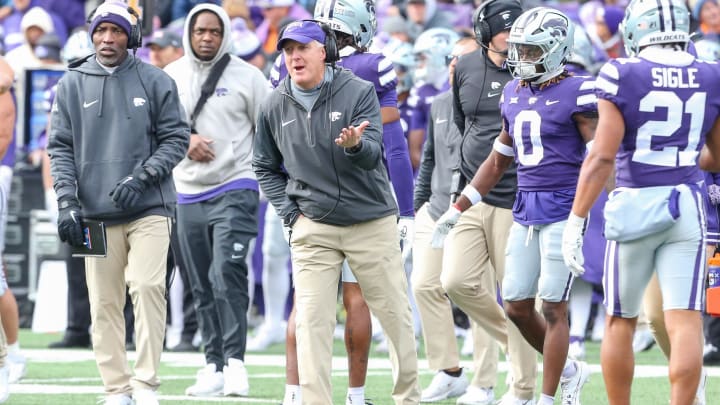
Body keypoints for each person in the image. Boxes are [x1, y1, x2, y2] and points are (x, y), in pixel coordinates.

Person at [253, 19, 420, 405]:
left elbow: (374, 154)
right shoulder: (274, 103)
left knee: (395, 317)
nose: (294, 56)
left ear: (323, 52)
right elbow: (263, 165)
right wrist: (290, 213)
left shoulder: (359, 91)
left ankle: (408, 398)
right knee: (312, 322)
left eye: (302, 48)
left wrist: (356, 147)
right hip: (314, 225)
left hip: (371, 220)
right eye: (288, 50)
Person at [561, 0, 719, 403]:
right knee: (684, 320)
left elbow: (602, 156)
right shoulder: (709, 74)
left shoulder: (621, 72)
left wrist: (577, 219)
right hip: (686, 204)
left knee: (620, 319)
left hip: (634, 203)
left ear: (636, 28)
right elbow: (716, 156)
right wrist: (681, 156)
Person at [437, 8, 594, 404]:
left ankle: (545, 396)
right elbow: (497, 160)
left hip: (563, 208)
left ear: (556, 51)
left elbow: (599, 157)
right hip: (524, 208)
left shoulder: (579, 90)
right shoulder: (514, 91)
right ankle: (571, 369)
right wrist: (458, 208)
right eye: (519, 49)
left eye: (531, 50)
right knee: (517, 306)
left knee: (553, 307)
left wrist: (586, 213)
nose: (520, 58)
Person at [47, 2, 190, 404]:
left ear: (133, 37)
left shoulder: (156, 80)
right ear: (91, 34)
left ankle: (145, 386)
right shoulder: (71, 83)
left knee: (147, 287)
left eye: (117, 32)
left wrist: (143, 176)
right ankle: (116, 389)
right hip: (93, 214)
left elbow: (177, 139)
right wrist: (66, 202)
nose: (107, 39)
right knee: (103, 303)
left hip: (151, 208)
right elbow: (59, 147)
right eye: (100, 31)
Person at [164, 3, 271, 398]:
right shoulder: (169, 76)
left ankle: (236, 364)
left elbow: (270, 129)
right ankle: (213, 365)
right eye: (199, 31)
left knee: (227, 272)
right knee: (200, 285)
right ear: (189, 35)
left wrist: (268, 183)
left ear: (225, 33)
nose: (206, 38)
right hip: (186, 192)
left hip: (236, 184)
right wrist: (184, 142)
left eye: (213, 31)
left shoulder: (249, 76)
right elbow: (155, 134)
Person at [435, 0, 539, 403]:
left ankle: (524, 388)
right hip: (472, 194)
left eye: (517, 31)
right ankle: (531, 346)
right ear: (484, 33)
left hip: (515, 196)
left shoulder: (531, 66)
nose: (512, 39)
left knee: (514, 294)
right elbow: (466, 127)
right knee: (455, 281)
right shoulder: (465, 68)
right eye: (504, 31)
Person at [412, 36, 500, 403]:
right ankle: (449, 370)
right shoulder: (438, 104)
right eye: (451, 59)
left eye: (462, 60)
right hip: (435, 208)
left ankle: (484, 382)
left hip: (475, 209)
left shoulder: (494, 104)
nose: (453, 65)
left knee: (475, 291)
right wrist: (418, 206)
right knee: (423, 285)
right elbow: (429, 158)